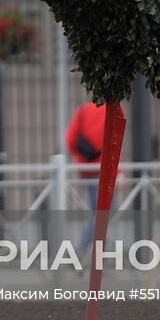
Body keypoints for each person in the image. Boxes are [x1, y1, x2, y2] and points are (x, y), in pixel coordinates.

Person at [66, 101, 107, 248]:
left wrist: (82, 157)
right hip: (106, 169)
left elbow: (70, 139)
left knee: (99, 212)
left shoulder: (83, 110)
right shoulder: (113, 109)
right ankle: (83, 250)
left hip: (87, 170)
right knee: (103, 213)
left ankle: (94, 252)